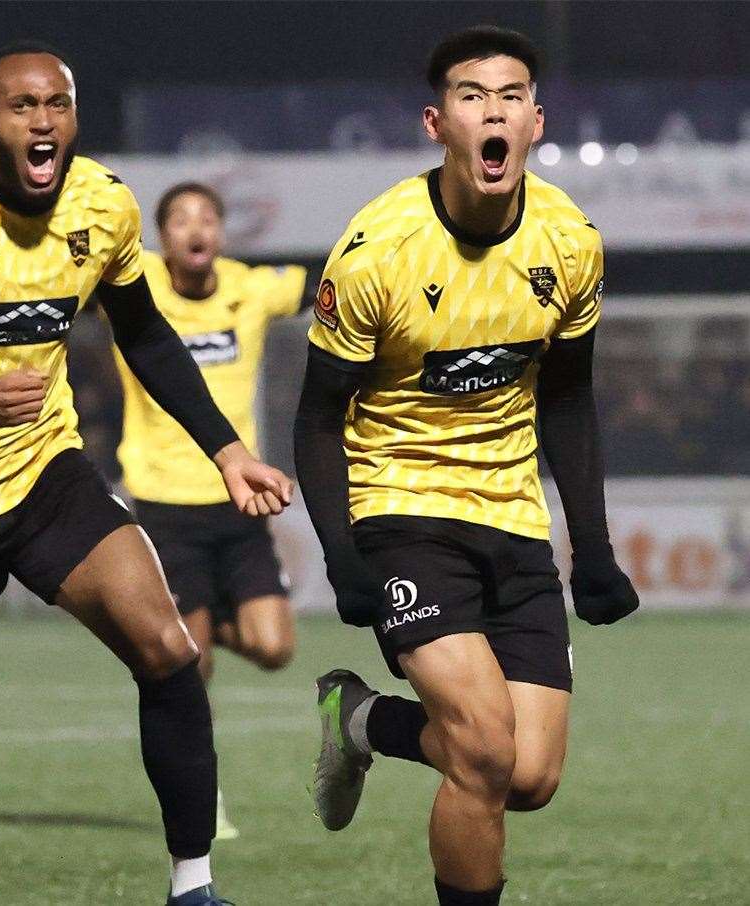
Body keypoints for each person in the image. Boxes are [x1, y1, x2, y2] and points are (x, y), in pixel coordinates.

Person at [0, 42, 293, 906]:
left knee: (166, 650)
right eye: (21, 106)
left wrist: (228, 450)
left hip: (44, 473)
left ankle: (192, 887)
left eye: (57, 103)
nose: (42, 120)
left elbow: (146, 333)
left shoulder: (104, 203)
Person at [294, 26, 639, 906]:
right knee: (483, 750)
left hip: (510, 517)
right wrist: (342, 555)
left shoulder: (569, 242)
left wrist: (590, 551)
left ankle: (361, 720)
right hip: (400, 508)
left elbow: (566, 399)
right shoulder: (376, 251)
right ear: (436, 123)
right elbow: (315, 416)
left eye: (511, 96)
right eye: (471, 96)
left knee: (527, 778)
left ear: (535, 122)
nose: (494, 110)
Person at [114, 182, 309, 839]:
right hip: (164, 502)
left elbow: (325, 281)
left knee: (275, 647)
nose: (194, 228)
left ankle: (210, 619)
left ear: (222, 233)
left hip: (239, 498)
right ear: (160, 235)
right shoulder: (132, 282)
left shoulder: (250, 288)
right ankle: (205, 798)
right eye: (178, 218)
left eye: (206, 218)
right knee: (188, 667)